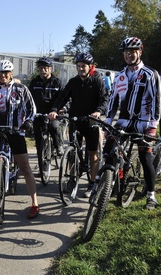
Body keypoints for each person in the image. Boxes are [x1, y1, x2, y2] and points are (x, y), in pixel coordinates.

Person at [0, 59, 39, 219]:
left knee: (25, 167)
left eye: (6, 72)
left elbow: (31, 108)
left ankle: (35, 203)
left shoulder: (21, 88)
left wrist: (29, 121)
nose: (2, 75)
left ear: (11, 73)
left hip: (16, 131)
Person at [105, 37, 161, 210]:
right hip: (123, 121)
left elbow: (157, 101)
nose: (129, 55)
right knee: (109, 151)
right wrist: (108, 123)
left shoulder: (150, 74)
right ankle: (108, 185)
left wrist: (153, 125)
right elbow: (113, 102)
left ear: (140, 52)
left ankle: (151, 196)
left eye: (132, 51)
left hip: (144, 122)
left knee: (145, 157)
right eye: (126, 52)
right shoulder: (120, 76)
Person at [49, 53, 108, 198]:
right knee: (73, 151)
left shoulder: (97, 80)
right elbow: (62, 97)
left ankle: (92, 183)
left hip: (91, 122)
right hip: (75, 120)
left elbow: (104, 99)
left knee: (92, 154)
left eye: (84, 66)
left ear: (90, 67)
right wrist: (54, 110)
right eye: (79, 66)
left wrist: (98, 112)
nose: (81, 68)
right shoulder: (73, 82)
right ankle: (72, 178)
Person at [29, 57, 64, 157]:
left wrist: (60, 109)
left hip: (53, 112)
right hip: (39, 113)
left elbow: (63, 97)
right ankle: (40, 150)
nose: (42, 70)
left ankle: (58, 145)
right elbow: (28, 97)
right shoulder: (34, 82)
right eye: (40, 68)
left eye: (45, 68)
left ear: (50, 69)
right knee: (37, 130)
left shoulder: (57, 82)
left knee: (54, 126)